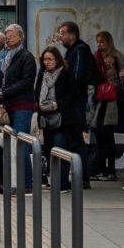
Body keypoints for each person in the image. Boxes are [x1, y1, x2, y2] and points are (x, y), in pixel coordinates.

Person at [59, 21, 103, 190]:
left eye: (63, 33)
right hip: (76, 101)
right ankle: (82, 176)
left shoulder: (79, 50)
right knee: (75, 139)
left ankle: (82, 176)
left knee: (76, 140)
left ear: (73, 34)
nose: (61, 37)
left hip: (76, 103)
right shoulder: (74, 50)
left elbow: (76, 77)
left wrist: (67, 97)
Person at [0, 23, 37, 192]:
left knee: (22, 143)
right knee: (10, 144)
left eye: (11, 36)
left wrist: (5, 91)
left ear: (21, 37)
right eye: (7, 36)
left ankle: (27, 183)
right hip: (10, 104)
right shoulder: (7, 55)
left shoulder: (26, 56)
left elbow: (27, 81)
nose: (8, 39)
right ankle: (12, 179)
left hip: (22, 105)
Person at [35, 45, 79, 189]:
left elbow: (72, 95)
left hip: (63, 119)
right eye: (44, 59)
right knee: (48, 150)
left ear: (57, 60)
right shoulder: (42, 74)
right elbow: (37, 93)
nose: (47, 62)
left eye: (50, 59)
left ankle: (62, 183)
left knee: (60, 148)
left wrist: (57, 104)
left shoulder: (66, 73)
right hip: (46, 119)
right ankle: (53, 181)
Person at [90, 30, 124, 181]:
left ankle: (110, 169)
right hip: (99, 96)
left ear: (109, 42)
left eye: (102, 42)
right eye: (98, 41)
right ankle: (101, 168)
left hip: (111, 97)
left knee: (107, 133)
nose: (100, 45)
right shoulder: (96, 56)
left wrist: (119, 81)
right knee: (98, 132)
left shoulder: (116, 56)